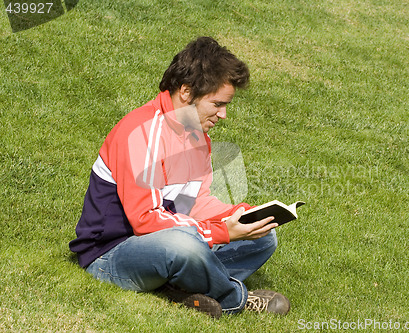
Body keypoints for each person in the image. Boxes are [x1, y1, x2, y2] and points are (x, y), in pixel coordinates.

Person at [69, 36, 290, 318]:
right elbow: (146, 219)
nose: (223, 115)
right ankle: (234, 299)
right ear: (186, 92)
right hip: (110, 254)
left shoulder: (198, 138)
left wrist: (240, 215)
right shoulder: (140, 132)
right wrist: (223, 232)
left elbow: (195, 203)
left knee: (263, 236)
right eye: (217, 104)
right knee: (182, 246)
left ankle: (182, 286)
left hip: (161, 243)